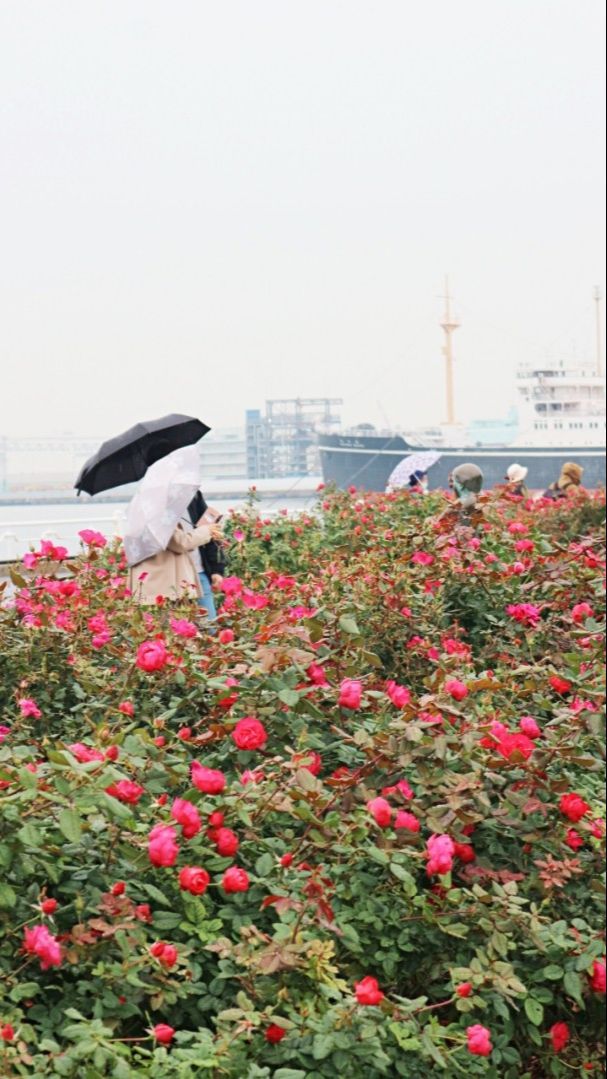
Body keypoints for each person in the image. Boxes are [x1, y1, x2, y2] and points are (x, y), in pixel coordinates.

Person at [127, 519, 223, 605]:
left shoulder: (142, 517)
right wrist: (206, 530)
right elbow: (181, 543)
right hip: (163, 584)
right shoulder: (158, 517)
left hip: (153, 583)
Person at [187, 491, 227, 622]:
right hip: (173, 577)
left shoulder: (193, 495)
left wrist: (216, 570)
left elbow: (211, 531)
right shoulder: (160, 506)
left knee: (209, 627)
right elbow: (180, 542)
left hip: (199, 572)